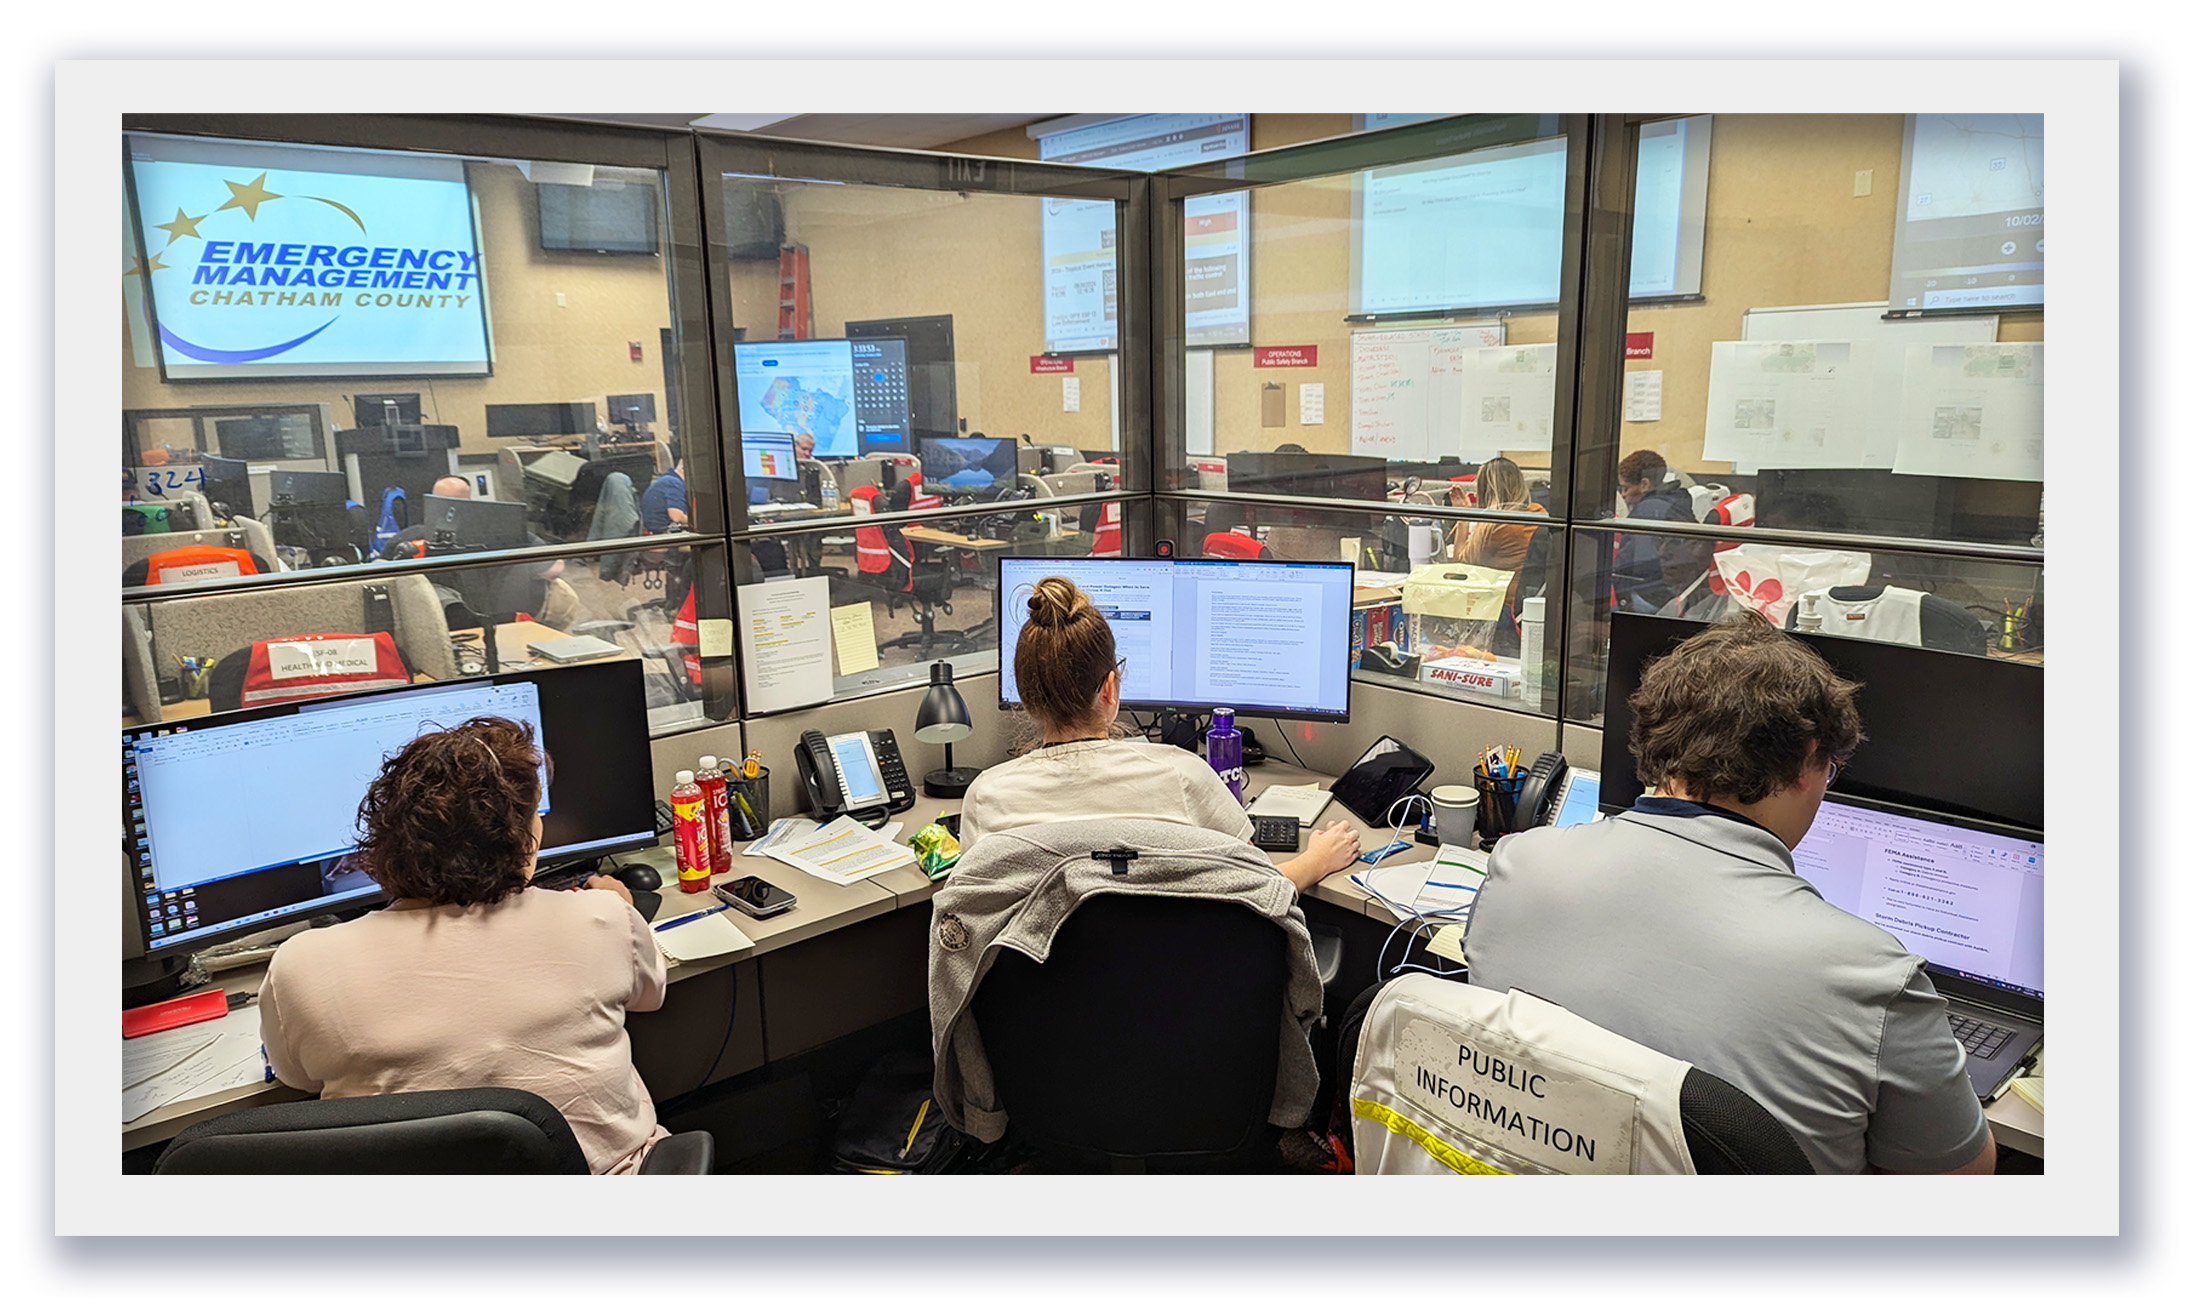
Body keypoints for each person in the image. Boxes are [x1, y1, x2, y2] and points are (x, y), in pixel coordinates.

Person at [1462, 616, 1996, 1176]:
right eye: (1830, 770)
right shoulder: (1871, 975)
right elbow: (1965, 1177)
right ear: (1805, 763)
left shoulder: (1520, 863)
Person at [257, 717, 671, 1175]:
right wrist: (618, 909)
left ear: (385, 842)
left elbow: (297, 1076)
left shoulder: (302, 964)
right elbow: (650, 996)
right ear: (520, 838)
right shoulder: (601, 919)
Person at [958, 575, 1360, 894]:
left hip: (1039, 993)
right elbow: (1259, 888)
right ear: (1111, 688)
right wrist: (1317, 860)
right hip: (1177, 990)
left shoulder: (987, 795)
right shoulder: (1184, 776)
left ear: (1026, 699)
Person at [1446, 456, 1548, 616]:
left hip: (1502, 610)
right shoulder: (1538, 511)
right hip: (1529, 605)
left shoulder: (1498, 525)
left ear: (1485, 489)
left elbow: (1460, 567)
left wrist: (1462, 515)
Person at [1610, 448, 1697, 611]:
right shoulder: (1678, 502)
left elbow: (1636, 567)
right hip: (1674, 595)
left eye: (1626, 488)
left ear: (1644, 484)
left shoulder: (1647, 512)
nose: (1623, 495)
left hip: (1648, 597)